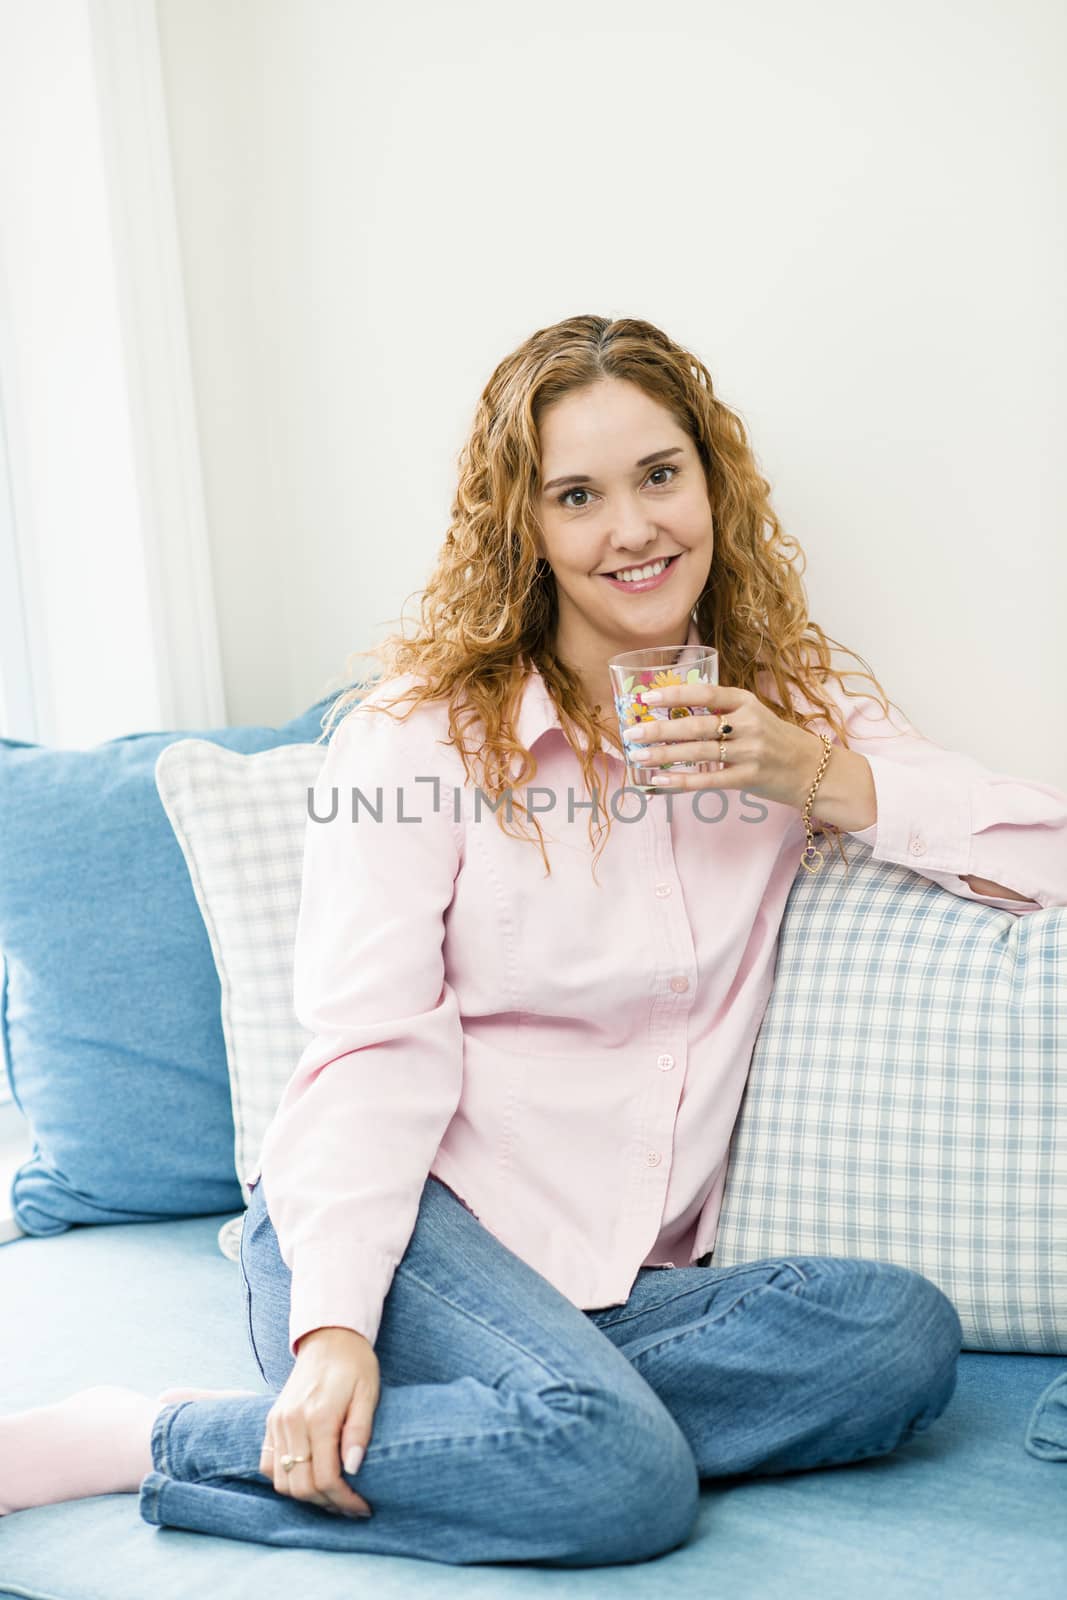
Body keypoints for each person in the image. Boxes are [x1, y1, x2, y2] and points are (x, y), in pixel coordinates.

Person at [3, 315, 1065, 1566]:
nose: (633, 528)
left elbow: (1041, 855)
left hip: (621, 1282)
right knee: (617, 1479)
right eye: (578, 494)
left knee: (895, 1334)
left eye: (660, 475)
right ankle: (158, 1435)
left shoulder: (781, 716)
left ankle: (538, 1422)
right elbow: (368, 1048)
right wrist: (334, 1325)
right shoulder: (417, 740)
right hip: (410, 1226)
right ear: (526, 525)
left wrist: (815, 771)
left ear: (710, 486)